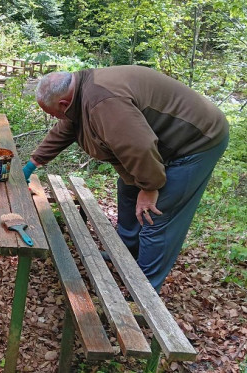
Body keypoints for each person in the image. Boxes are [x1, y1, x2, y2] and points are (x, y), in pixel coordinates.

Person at [23, 65, 229, 292]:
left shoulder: (104, 101)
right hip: (158, 144)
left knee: (156, 214)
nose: (55, 118)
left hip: (196, 142)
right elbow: (66, 128)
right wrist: (34, 163)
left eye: (53, 113)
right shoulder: (80, 92)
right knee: (129, 192)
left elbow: (139, 148)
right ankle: (126, 254)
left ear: (64, 103)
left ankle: (145, 291)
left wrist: (150, 188)